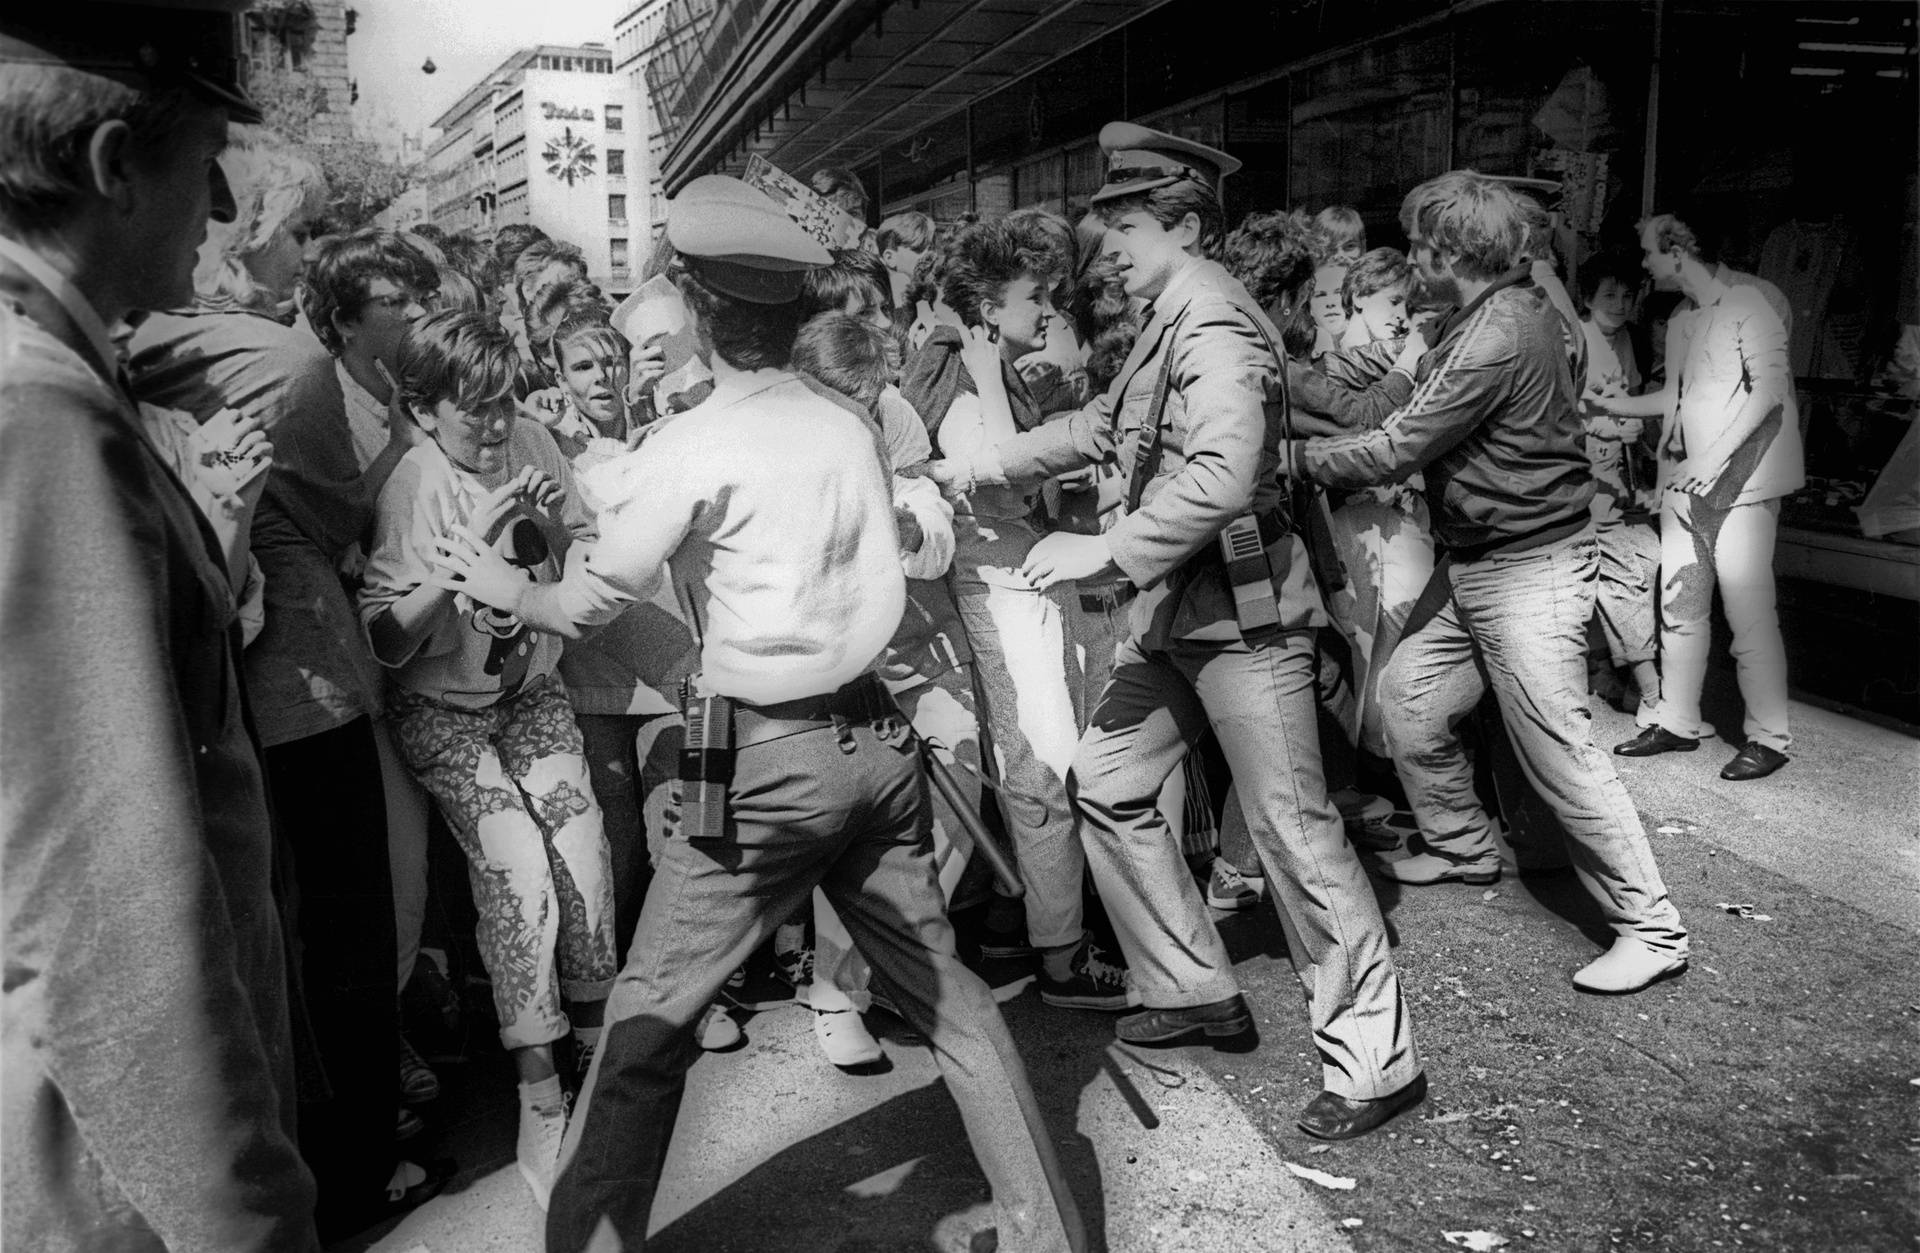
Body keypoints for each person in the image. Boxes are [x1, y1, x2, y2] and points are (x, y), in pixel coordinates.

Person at [431, 174, 1088, 1253]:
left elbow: (595, 592)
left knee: (646, 1021)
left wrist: (516, 593)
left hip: (762, 765)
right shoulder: (843, 419)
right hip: (877, 745)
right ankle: (1046, 1228)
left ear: (694, 305)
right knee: (953, 998)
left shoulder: (702, 440)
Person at [932, 124, 1426, 1141]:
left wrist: (1097, 554)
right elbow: (1103, 429)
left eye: (1126, 222)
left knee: (1297, 834)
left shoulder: (1210, 325)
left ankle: (1377, 1062)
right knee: (1107, 784)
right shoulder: (1172, 315)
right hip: (1180, 616)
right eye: (1106, 220)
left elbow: (1220, 474)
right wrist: (971, 472)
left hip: (1242, 620)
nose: (1105, 243)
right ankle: (1195, 984)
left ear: (1186, 224)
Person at [1, 6, 319, 1248]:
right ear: (111, 167)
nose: (228, 209)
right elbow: (104, 907)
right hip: (119, 1175)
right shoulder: (38, 408)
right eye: (206, 162)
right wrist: (244, 1217)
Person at [128, 129, 457, 1234]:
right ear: (253, 231)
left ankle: (334, 1144)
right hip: (303, 685)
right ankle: (360, 1160)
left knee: (296, 931)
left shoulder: (149, 344)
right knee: (350, 928)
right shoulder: (273, 357)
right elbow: (341, 509)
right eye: (301, 231)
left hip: (239, 688)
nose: (308, 258)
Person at [1284, 171, 1690, 995]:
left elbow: (1397, 445)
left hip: (1526, 567)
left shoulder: (1498, 332)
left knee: (1562, 751)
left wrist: (1288, 458)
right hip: (1477, 561)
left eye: (1422, 247)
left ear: (1451, 254)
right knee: (1409, 701)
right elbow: (1376, 404)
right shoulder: (1480, 316)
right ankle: (1466, 846)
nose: (1411, 261)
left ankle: (1654, 926)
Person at [357, 310, 618, 1210]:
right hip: (442, 710)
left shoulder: (538, 442)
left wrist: (549, 543)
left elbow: (588, 554)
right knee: (516, 866)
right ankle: (538, 1091)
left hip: (528, 693)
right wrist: (460, 568)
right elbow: (388, 640)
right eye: (475, 413)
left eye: (504, 404)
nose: (498, 428)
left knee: (580, 844)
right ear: (426, 413)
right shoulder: (412, 486)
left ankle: (592, 1054)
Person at [901, 220, 1132, 1012]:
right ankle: (1062, 957)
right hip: (1000, 594)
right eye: (1033, 296)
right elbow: (1013, 476)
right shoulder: (967, 393)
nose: (1048, 309)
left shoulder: (985, 375)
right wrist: (993, 381)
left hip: (1025, 590)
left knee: (1038, 769)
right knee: (1040, 770)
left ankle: (1026, 924)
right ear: (987, 310)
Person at [1600, 212, 1802, 780]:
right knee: (1679, 609)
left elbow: (1769, 397)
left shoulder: (1751, 306)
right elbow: (1673, 398)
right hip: (1687, 485)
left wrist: (1712, 460)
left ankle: (1769, 739)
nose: (1644, 264)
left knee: (1748, 614)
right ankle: (1676, 721)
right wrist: (1607, 407)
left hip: (1744, 486)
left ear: (1677, 251)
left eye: (1648, 253)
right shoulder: (1685, 318)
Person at [1576, 253, 1663, 725]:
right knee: (1620, 572)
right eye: (1609, 294)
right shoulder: (1575, 339)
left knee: (1624, 571)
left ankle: (1607, 671)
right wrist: (1610, 426)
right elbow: (1562, 409)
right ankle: (1643, 688)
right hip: (1582, 478)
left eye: (1627, 296)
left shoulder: (1626, 338)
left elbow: (1630, 398)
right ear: (1586, 299)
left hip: (1620, 479)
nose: (1620, 303)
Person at [1339, 246, 1413, 348]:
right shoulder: (1328, 357)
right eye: (1394, 301)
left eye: (1407, 307)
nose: (1403, 315)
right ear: (1359, 298)